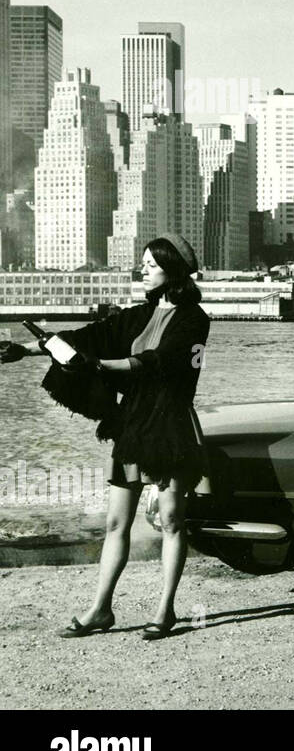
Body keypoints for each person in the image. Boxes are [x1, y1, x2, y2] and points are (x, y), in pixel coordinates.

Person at [1, 233, 210, 640]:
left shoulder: (194, 318)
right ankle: (100, 610)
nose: (143, 270)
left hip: (168, 426)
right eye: (143, 264)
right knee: (116, 523)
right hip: (133, 424)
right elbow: (87, 336)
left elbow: (157, 363)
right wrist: (24, 349)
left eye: (150, 265)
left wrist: (97, 367)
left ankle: (164, 611)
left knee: (170, 519)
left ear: (173, 270)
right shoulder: (137, 315)